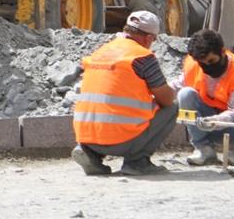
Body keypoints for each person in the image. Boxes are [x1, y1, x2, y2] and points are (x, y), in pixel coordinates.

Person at [72, 10, 178, 176]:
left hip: (86, 135)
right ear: (149, 38)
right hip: (121, 140)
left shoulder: (101, 52)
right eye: (153, 40)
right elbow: (166, 99)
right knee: (172, 107)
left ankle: (91, 153)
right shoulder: (142, 56)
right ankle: (137, 162)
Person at [175, 28, 234, 165]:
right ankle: (204, 149)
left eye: (211, 61)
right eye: (202, 63)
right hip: (209, 124)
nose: (207, 67)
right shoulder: (194, 64)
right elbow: (176, 85)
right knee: (185, 94)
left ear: (222, 52)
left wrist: (214, 121)